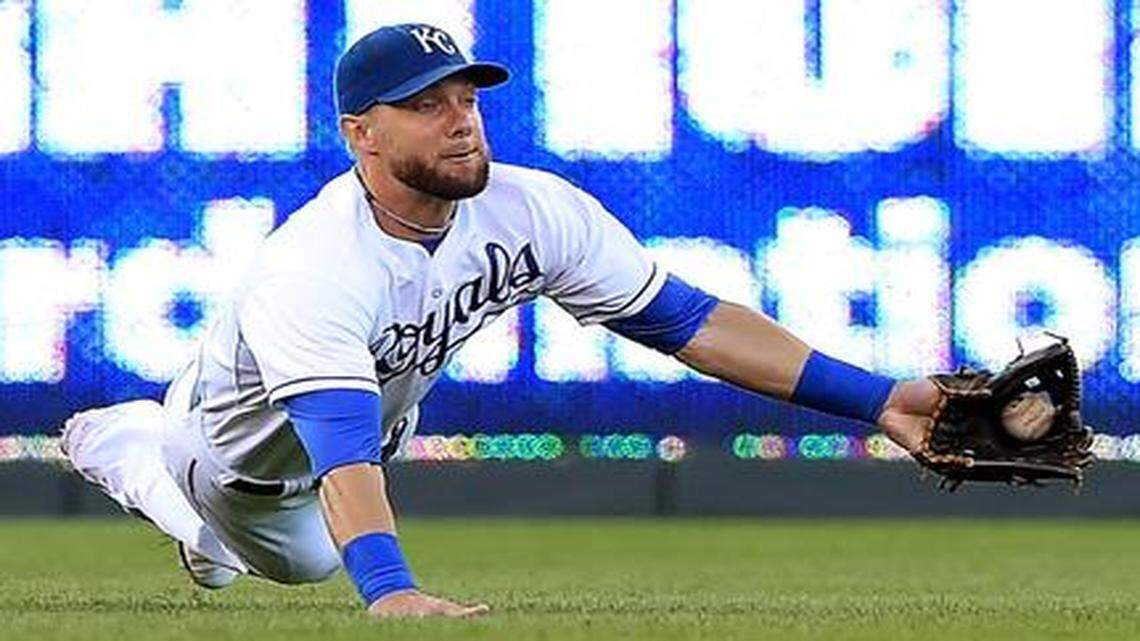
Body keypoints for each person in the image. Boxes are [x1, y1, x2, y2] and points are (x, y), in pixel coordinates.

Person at [61, 23, 943, 619]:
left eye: (466, 99)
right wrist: (390, 588)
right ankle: (132, 449)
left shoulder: (529, 207)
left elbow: (687, 319)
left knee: (302, 533)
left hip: (345, 427)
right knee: (305, 561)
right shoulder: (315, 262)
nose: (459, 123)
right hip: (241, 462)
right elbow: (338, 442)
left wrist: (880, 399)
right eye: (425, 105)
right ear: (360, 133)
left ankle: (169, 480)